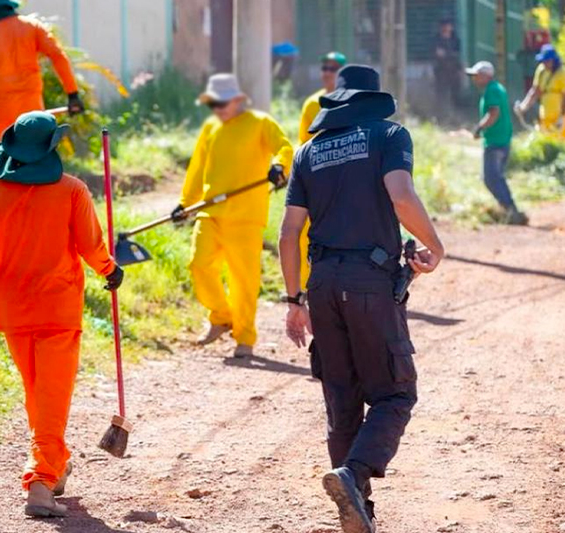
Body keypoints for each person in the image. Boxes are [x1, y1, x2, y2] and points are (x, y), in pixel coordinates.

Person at [280, 65, 445, 533]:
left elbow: (289, 232)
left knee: (342, 396)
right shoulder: (389, 134)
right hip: (369, 282)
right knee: (395, 392)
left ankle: (358, 509)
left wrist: (294, 300)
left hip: (322, 284)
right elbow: (401, 195)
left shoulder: (308, 151)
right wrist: (436, 243)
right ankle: (353, 474)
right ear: (374, 100)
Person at [0, 111, 123, 518]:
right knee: (51, 400)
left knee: (39, 398)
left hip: (12, 311)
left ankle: (55, 464)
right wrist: (110, 269)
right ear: (50, 148)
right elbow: (91, 247)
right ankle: (40, 484)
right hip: (57, 312)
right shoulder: (72, 191)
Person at [173, 73, 293, 358]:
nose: (218, 109)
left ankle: (245, 338)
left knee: (244, 280)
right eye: (213, 104)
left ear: (238, 100)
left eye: (223, 102)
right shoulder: (210, 127)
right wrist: (185, 203)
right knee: (198, 264)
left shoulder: (260, 123)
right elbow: (197, 167)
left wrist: (279, 167)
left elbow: (284, 147)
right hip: (210, 210)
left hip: (246, 215)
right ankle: (222, 316)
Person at [0, 0, 85, 201]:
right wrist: (72, 94)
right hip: (32, 117)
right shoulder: (31, 27)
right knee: (36, 162)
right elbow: (58, 56)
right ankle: (40, 212)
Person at [296, 51, 347, 292]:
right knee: (307, 232)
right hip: (317, 177)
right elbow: (303, 144)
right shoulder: (311, 104)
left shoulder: (351, 102)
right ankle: (308, 286)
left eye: (334, 68)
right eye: (325, 67)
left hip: (345, 177)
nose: (328, 72)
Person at [466, 61, 529, 225]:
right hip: (502, 138)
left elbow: (493, 113)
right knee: (496, 177)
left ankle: (510, 210)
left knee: (491, 177)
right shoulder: (497, 88)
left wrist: (479, 128)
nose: (474, 79)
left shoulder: (492, 90)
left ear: (486, 76)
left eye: (477, 75)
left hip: (495, 141)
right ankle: (509, 209)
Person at [515, 43, 565, 134]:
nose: (544, 63)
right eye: (543, 61)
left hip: (559, 119)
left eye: (547, 60)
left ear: (553, 60)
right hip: (545, 116)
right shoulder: (541, 70)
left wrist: (562, 117)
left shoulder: (562, 73)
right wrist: (523, 106)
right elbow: (535, 91)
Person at [433, 18, 462, 111]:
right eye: (444, 26)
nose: (446, 28)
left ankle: (456, 109)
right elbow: (436, 53)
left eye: (448, 26)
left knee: (455, 91)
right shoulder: (437, 39)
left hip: (454, 68)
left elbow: (456, 53)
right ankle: (441, 110)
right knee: (441, 91)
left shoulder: (455, 39)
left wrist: (446, 54)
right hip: (441, 69)